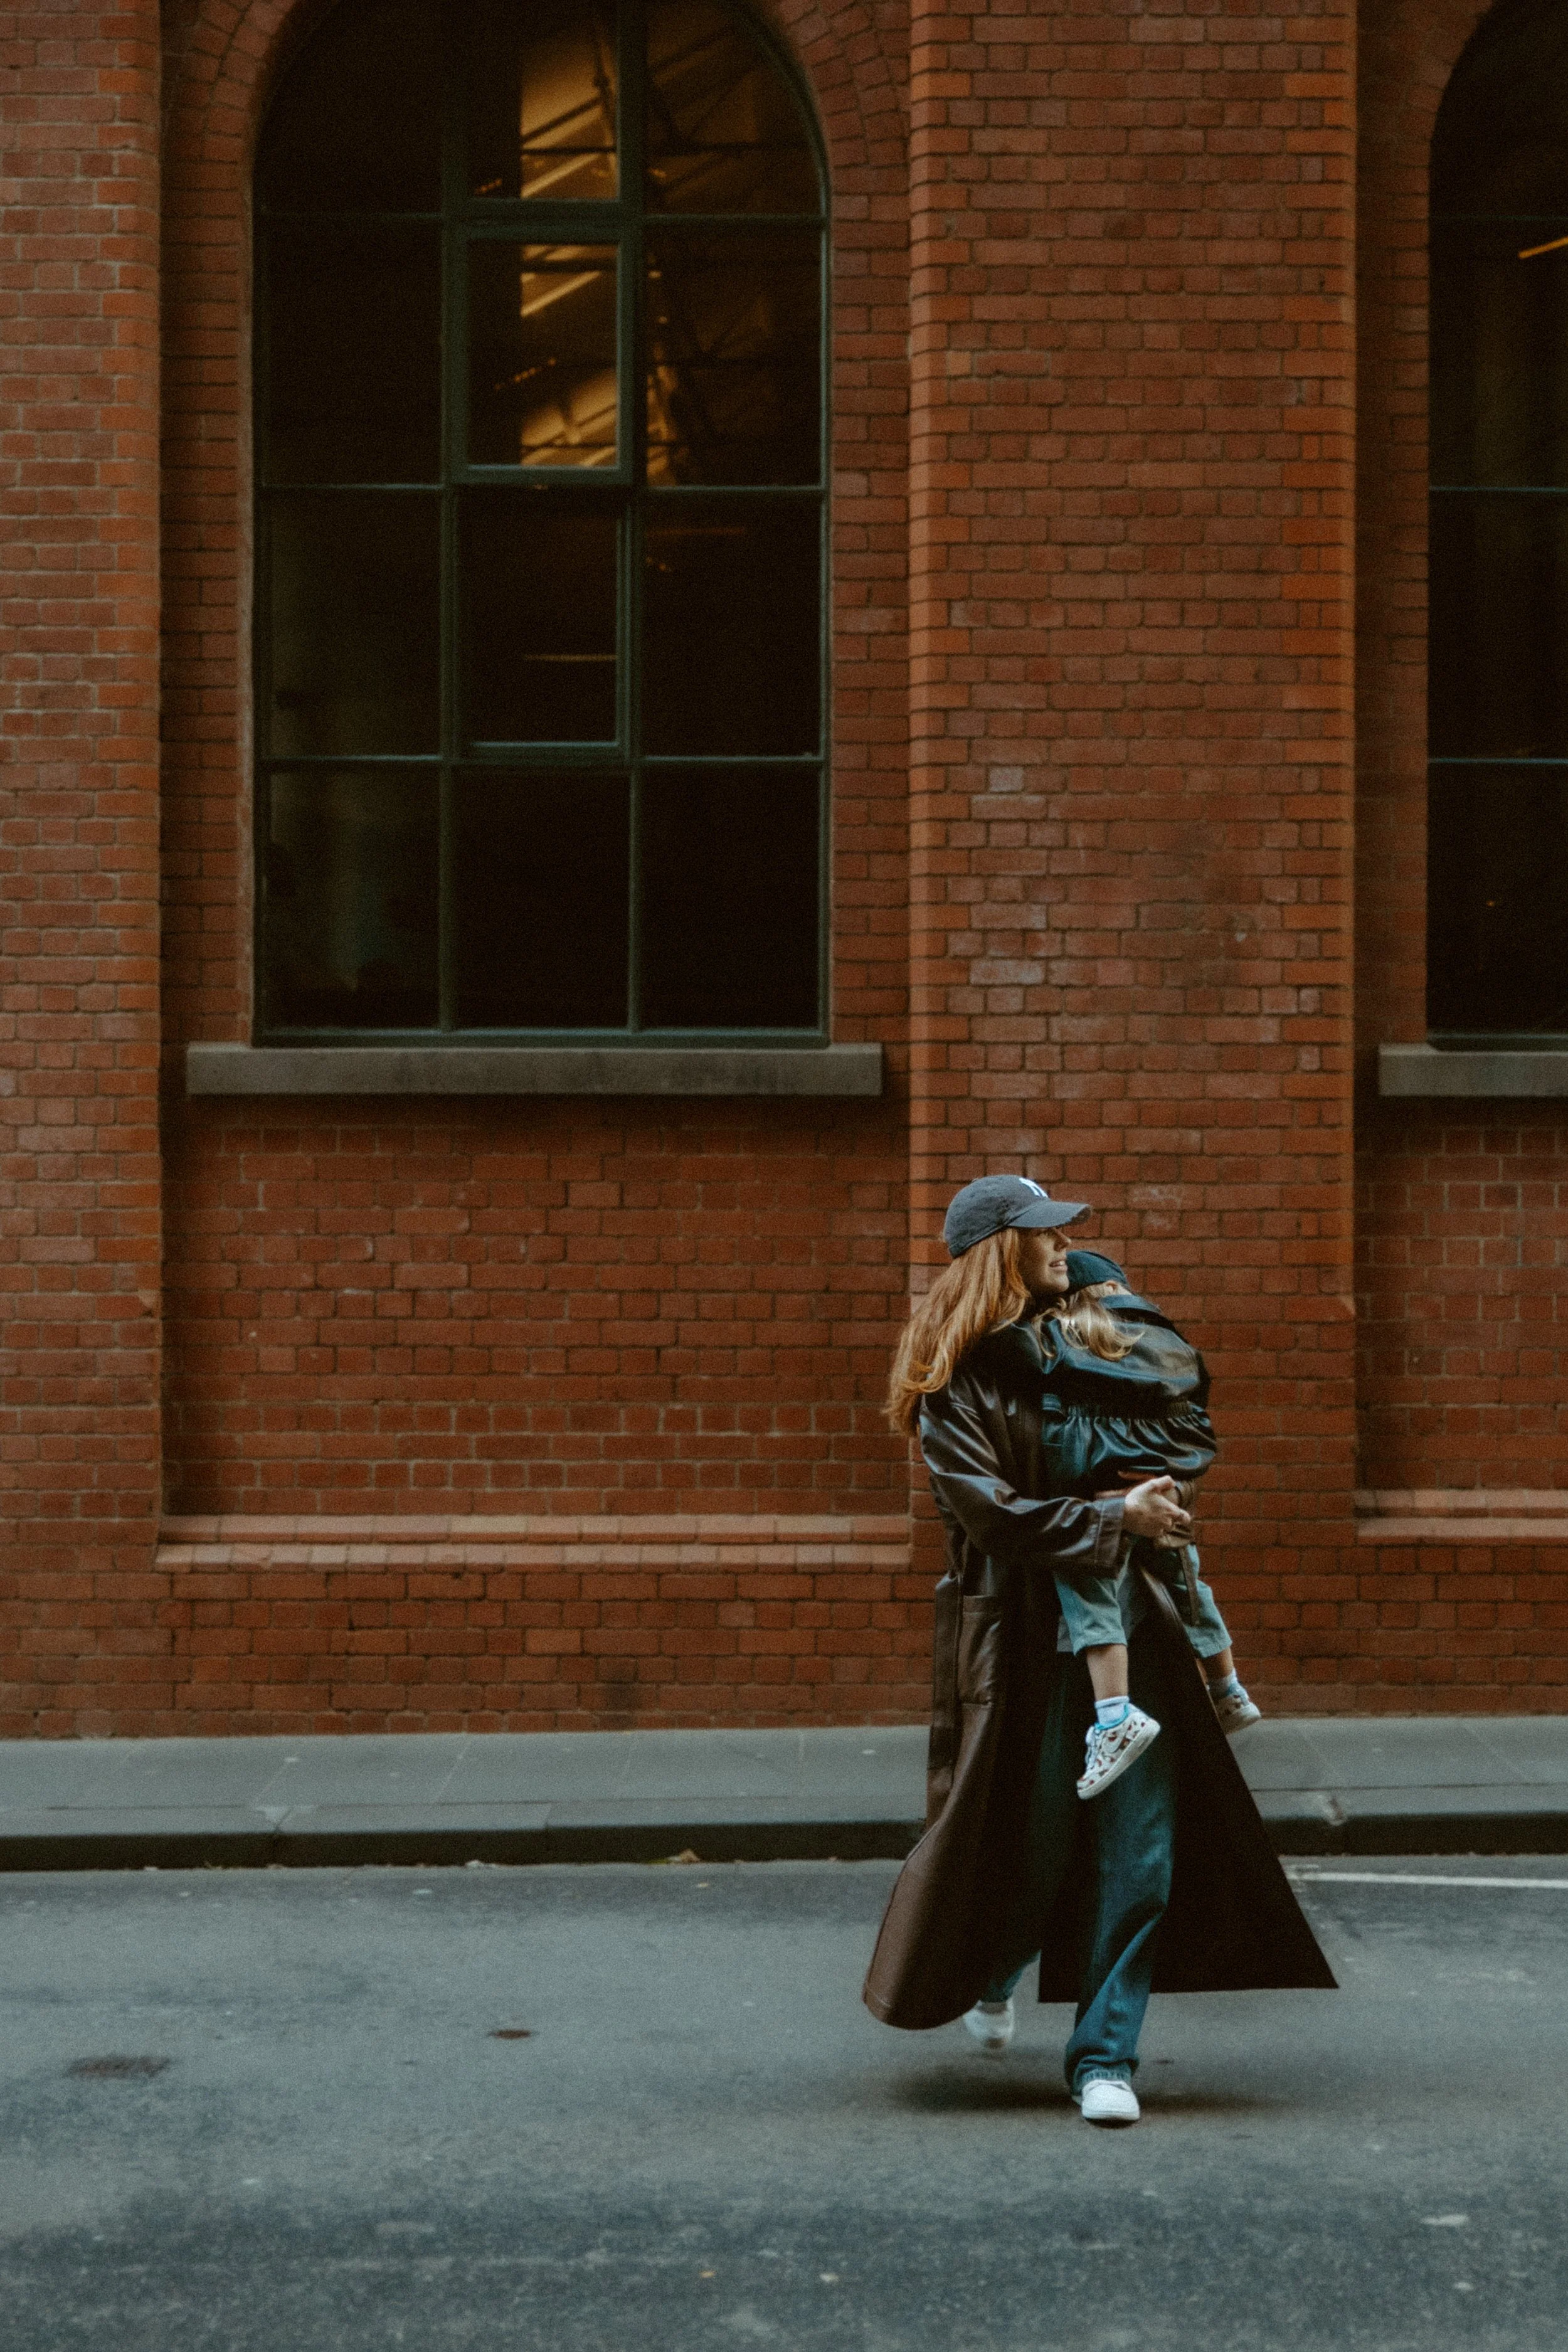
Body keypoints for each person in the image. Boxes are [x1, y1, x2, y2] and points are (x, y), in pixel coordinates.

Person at [862, 1173, 1335, 2127]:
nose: (1063, 1242)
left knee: (1141, 1848)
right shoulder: (958, 1380)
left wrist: (1132, 1493)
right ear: (1002, 1251)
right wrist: (1114, 1505)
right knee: (1032, 1849)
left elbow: (1188, 1429)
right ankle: (993, 1966)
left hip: (1131, 1626)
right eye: (1042, 1232)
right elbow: (989, 1515)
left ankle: (1105, 2056)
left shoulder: (1104, 1333)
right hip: (1024, 1642)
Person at [1039, 1247, 1262, 1744]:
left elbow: (1059, 1439)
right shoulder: (1166, 1339)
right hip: (1166, 1492)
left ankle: (1114, 1716)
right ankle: (1229, 1689)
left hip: (1107, 1497)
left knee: (1092, 1595)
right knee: (1190, 1586)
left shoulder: (1065, 1340)